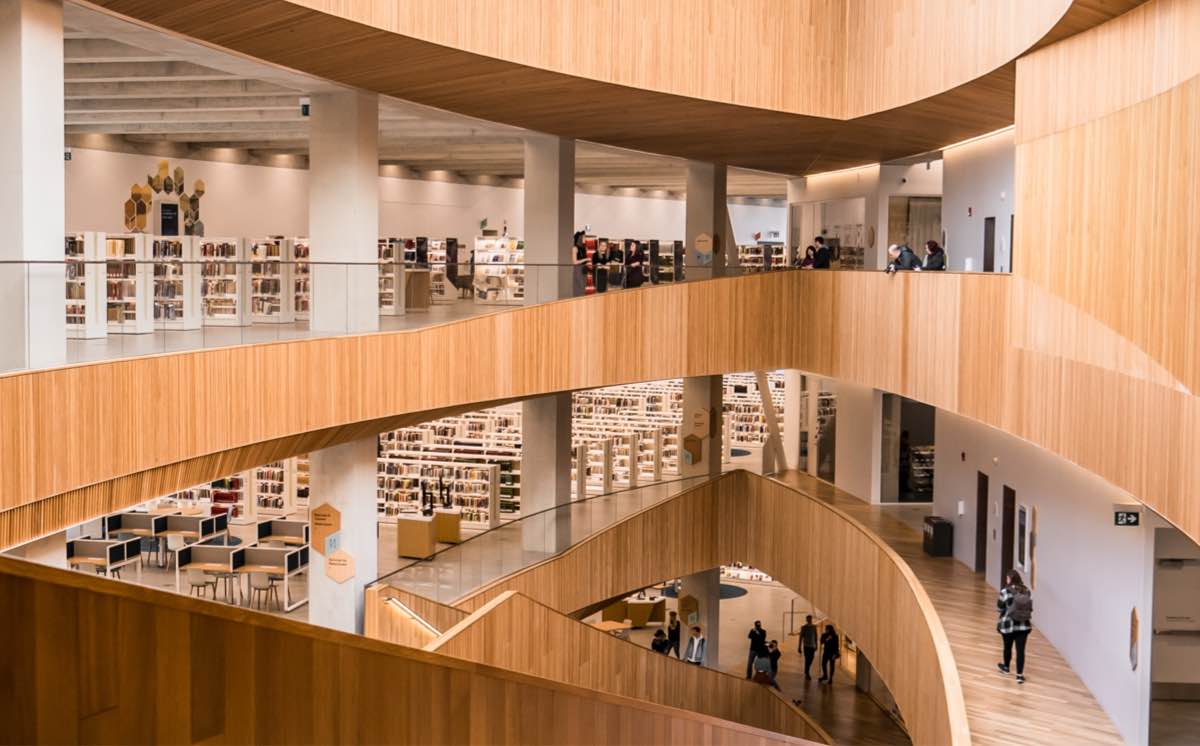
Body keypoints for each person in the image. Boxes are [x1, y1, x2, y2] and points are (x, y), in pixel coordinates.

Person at [997, 569, 1034, 684]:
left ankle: (1006, 668)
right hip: (1024, 626)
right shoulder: (1026, 591)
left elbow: (999, 607)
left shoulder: (1005, 591)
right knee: (1021, 651)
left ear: (1010, 579)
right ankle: (1019, 676)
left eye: (1007, 578)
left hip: (1008, 625)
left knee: (1007, 647)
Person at [798, 614, 818, 680]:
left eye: (810, 618)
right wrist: (799, 647)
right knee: (807, 659)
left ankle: (806, 670)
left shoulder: (814, 627)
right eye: (808, 619)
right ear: (806, 620)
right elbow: (801, 637)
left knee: (811, 658)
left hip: (812, 646)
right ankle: (807, 673)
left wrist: (816, 645)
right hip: (806, 646)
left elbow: (816, 636)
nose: (809, 620)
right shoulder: (804, 627)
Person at [572, 230, 590, 296]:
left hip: (583, 269)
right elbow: (575, 262)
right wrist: (586, 259)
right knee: (579, 286)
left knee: (583, 286)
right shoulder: (575, 248)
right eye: (584, 237)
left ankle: (582, 299)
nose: (585, 239)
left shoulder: (583, 248)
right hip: (578, 269)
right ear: (579, 238)